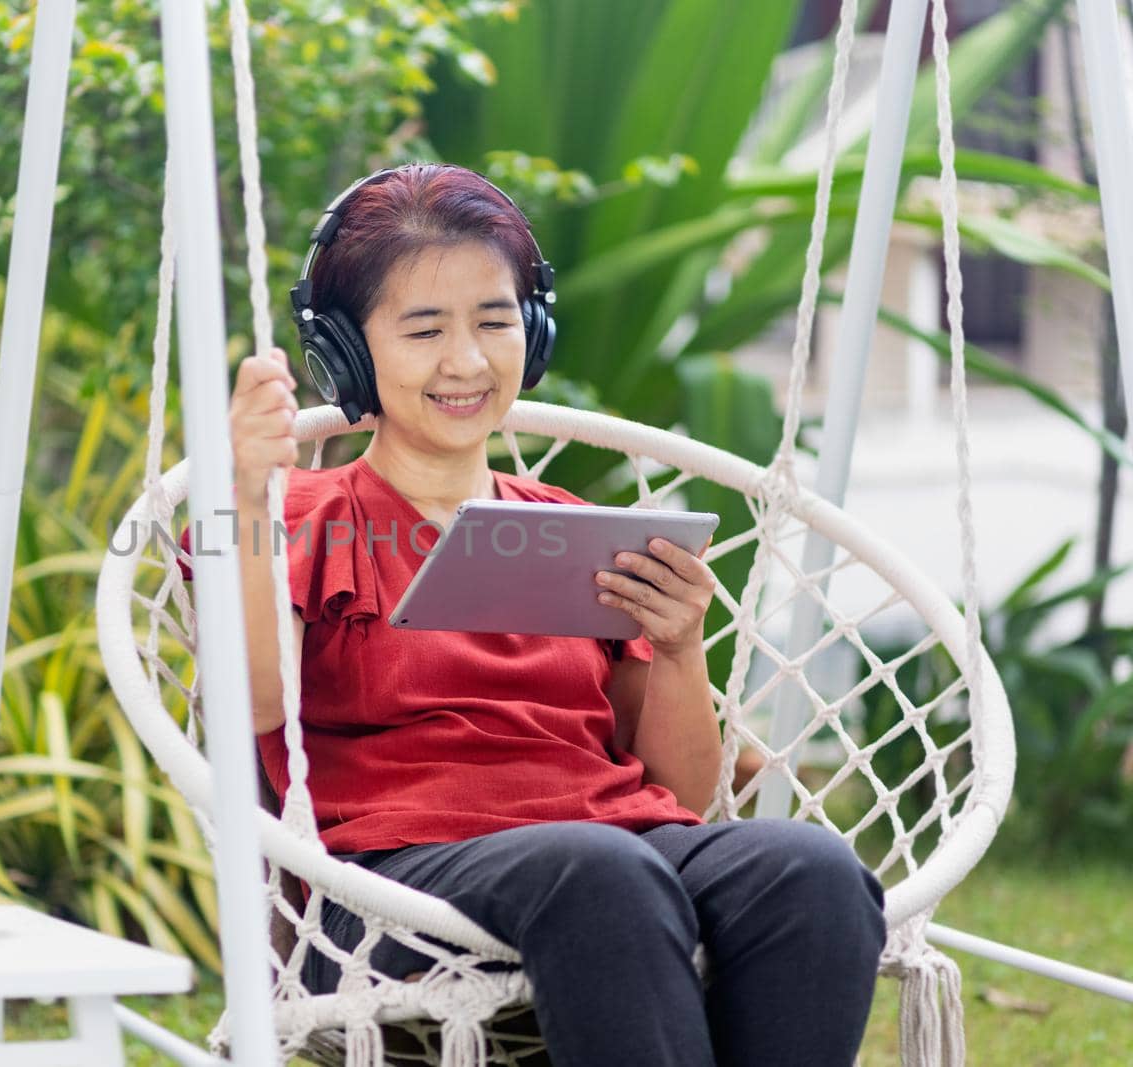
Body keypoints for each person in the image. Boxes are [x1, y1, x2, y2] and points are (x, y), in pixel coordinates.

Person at [201, 162, 886, 1066]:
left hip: (619, 859)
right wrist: (246, 492)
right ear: (350, 352)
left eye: (494, 320)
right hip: (392, 893)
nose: (469, 361)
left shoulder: (572, 529)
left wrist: (681, 648)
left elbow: (678, 799)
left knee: (813, 869)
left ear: (534, 328)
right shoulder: (296, 517)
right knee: (600, 869)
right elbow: (251, 704)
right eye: (423, 329)